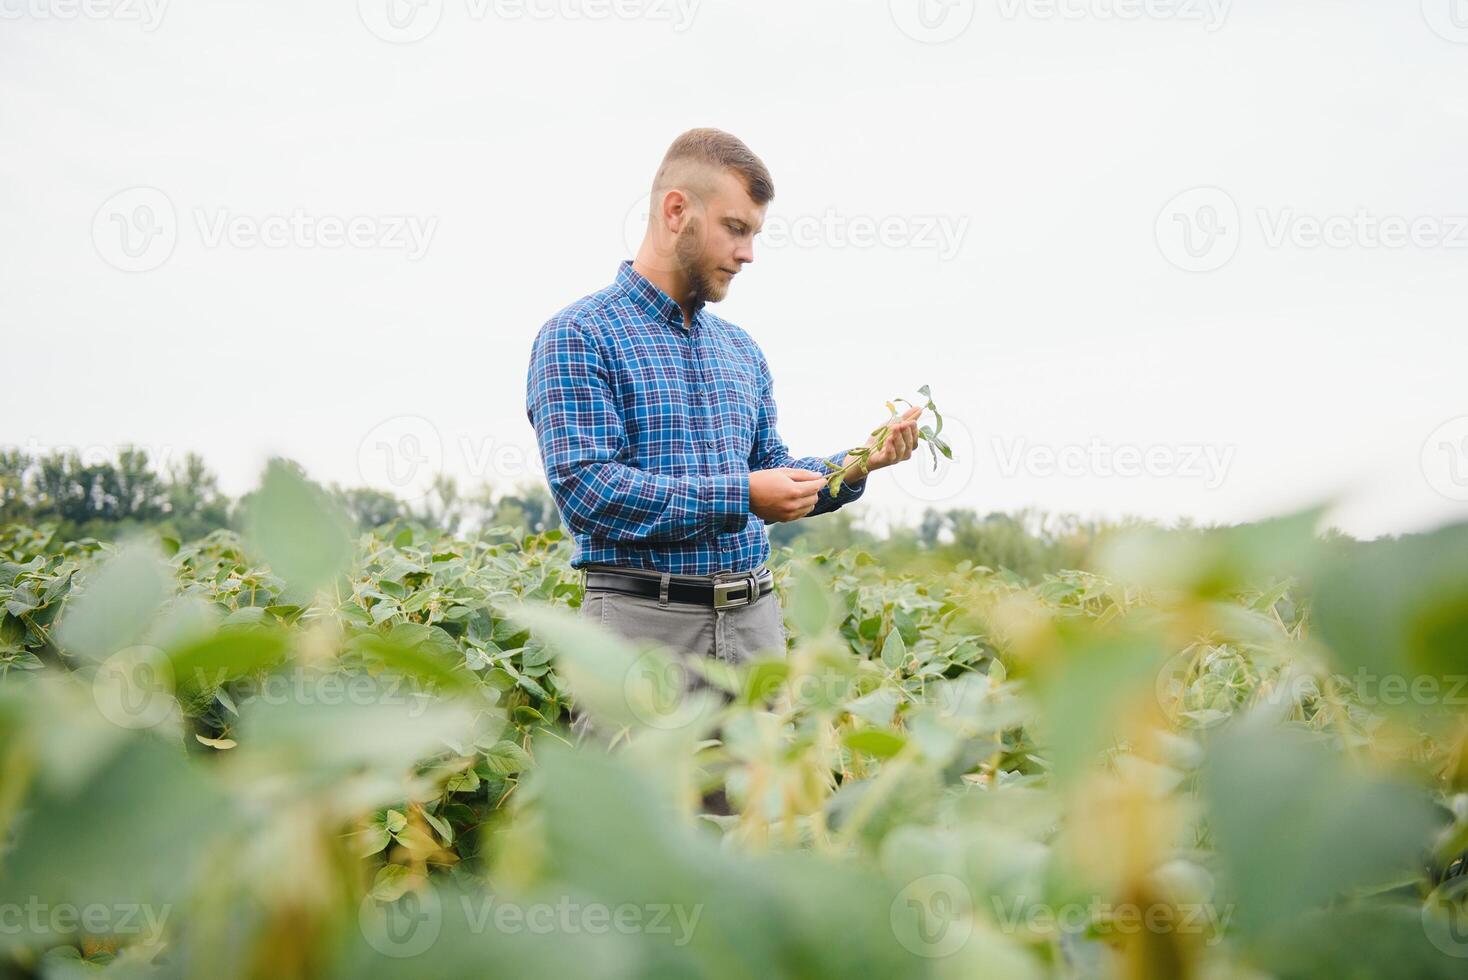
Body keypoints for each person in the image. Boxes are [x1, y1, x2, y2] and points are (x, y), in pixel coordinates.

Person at [525, 127, 923, 679]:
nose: (748, 253)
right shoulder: (580, 335)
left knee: (764, 770)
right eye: (735, 229)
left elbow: (769, 470)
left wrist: (858, 463)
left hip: (754, 627)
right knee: (638, 769)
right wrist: (742, 494)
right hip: (643, 630)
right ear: (676, 210)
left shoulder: (741, 350)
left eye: (755, 233)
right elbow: (589, 490)